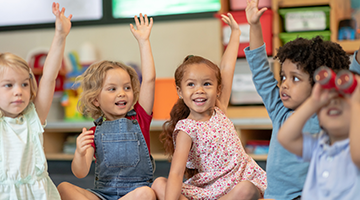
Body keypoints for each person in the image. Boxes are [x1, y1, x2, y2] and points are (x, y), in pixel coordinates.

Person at [244, 0, 360, 199]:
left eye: (295, 78)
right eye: (283, 77)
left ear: (319, 85)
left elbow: (351, 81)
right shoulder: (280, 110)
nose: (285, 84)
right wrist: (254, 25)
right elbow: (260, 71)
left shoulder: (328, 116)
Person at [151, 13, 267, 200]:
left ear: (218, 89)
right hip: (207, 189)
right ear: (180, 92)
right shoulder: (186, 129)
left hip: (238, 183)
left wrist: (236, 33)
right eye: (191, 85)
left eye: (206, 84)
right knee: (159, 183)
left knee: (247, 189)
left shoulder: (218, 109)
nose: (200, 90)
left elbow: (227, 68)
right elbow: (176, 172)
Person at [56, 13, 156, 200]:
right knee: (63, 188)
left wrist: (144, 41)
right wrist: (79, 153)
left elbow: (149, 80)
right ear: (96, 100)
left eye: (127, 87)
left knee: (147, 193)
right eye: (112, 89)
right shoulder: (94, 132)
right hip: (102, 194)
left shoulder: (140, 118)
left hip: (135, 193)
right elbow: (80, 172)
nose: (122, 93)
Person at [0, 2, 71, 200]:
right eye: (8, 85)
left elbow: (48, 77)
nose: (19, 92)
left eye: (24, 84)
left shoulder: (34, 116)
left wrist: (60, 36)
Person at [277, 72, 360, 200]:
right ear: (319, 119)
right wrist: (314, 101)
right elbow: (285, 137)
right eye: (326, 103)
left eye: (343, 101)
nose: (333, 103)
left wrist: (356, 102)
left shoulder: (354, 149)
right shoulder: (319, 145)